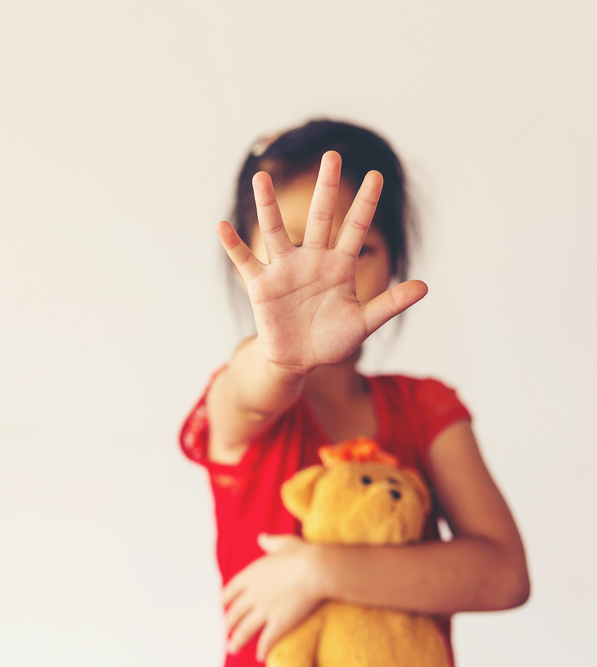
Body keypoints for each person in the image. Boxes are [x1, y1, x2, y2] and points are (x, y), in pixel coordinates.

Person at [179, 120, 529, 666]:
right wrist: (278, 356)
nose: (318, 277)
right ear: (247, 258)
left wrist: (319, 571)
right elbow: (245, 392)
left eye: (359, 248)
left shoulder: (426, 409)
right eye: (288, 247)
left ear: (394, 262)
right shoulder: (247, 397)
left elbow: (504, 575)